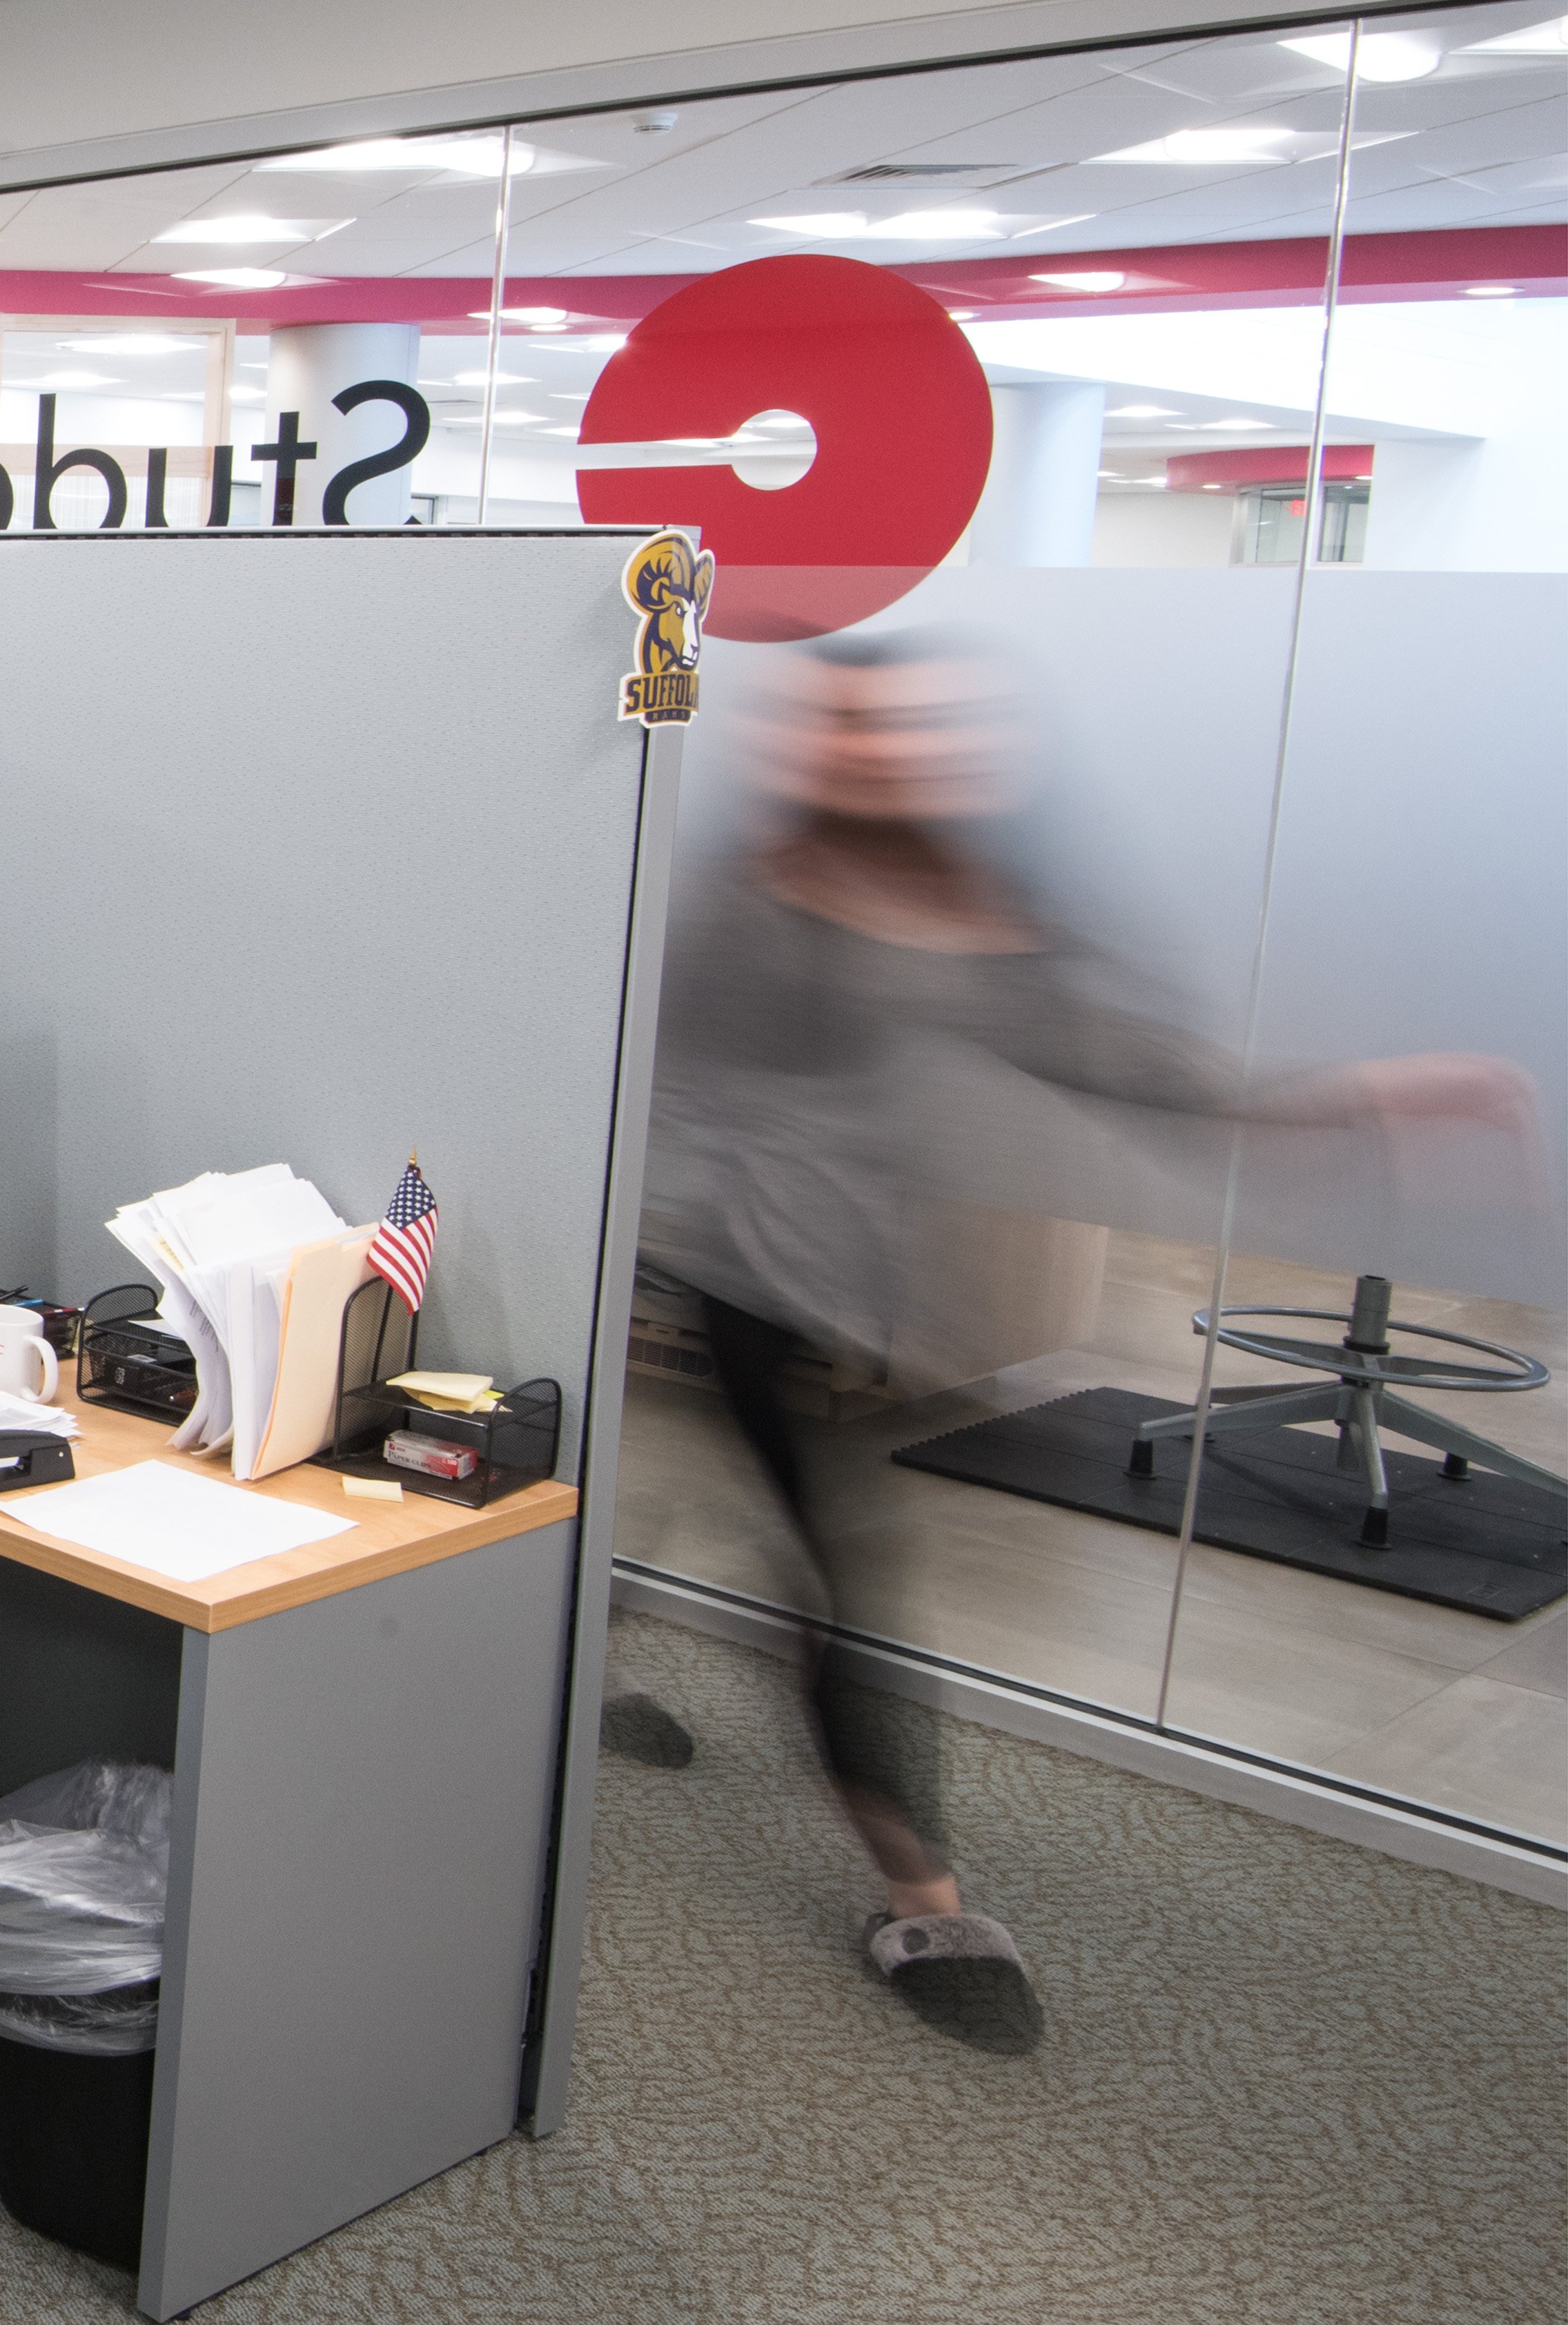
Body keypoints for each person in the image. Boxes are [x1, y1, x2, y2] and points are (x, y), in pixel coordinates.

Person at [642, 635, 1529, 2054]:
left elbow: (1135, 1063)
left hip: (838, 1281)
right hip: (729, 1268)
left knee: (721, 1505)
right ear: (815, 748)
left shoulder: (967, 910)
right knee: (837, 1563)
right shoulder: (756, 897)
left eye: (923, 729)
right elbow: (666, 1071)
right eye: (858, 729)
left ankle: (585, 1638)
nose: (893, 751)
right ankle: (917, 1889)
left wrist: (1364, 1096)